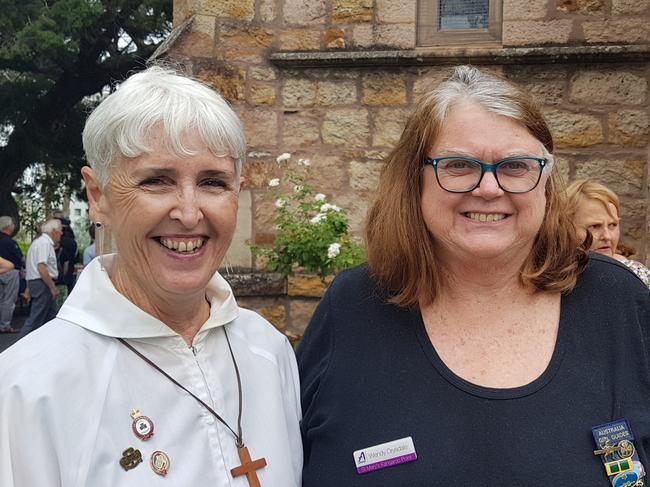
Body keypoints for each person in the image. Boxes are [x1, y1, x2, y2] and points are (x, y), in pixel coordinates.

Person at [298, 66, 650, 486]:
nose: (488, 188)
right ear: (416, 180)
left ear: (546, 183)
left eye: (516, 166)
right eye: (459, 165)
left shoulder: (616, 302)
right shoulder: (353, 308)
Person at [0, 66, 302, 486]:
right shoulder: (26, 388)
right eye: (157, 181)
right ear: (98, 196)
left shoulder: (268, 350)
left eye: (213, 182)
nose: (190, 212)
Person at [566, 179, 650, 287]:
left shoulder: (638, 277)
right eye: (595, 226)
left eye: (612, 225)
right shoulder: (551, 278)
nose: (607, 236)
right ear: (567, 228)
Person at [19, 218, 62, 337]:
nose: (61, 233)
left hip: (38, 283)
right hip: (43, 284)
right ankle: (18, 346)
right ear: (53, 231)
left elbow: (31, 268)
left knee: (51, 317)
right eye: (60, 230)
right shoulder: (45, 243)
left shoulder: (37, 242)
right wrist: (52, 287)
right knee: (36, 319)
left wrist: (28, 288)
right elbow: (41, 267)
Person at [0, 216, 22, 333]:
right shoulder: (10, 242)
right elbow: (18, 258)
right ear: (9, 226)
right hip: (10, 272)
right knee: (9, 300)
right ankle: (5, 325)